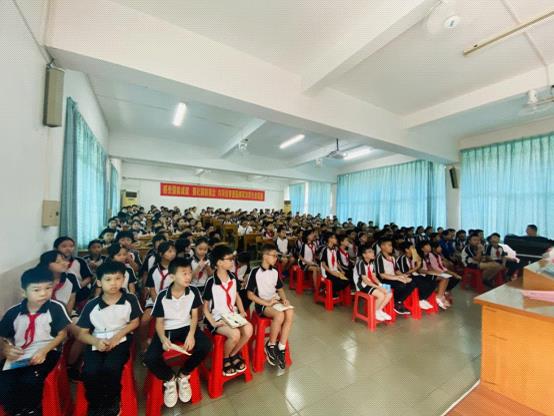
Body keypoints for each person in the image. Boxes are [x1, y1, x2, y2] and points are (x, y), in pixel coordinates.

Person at [0, 267, 71, 416]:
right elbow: (2, 336)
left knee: (31, 379)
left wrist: (44, 351)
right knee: (5, 381)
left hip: (49, 350)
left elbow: (62, 335)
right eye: (36, 290)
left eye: (48, 288)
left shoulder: (56, 308)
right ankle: (15, 411)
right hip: (21, 353)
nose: (43, 293)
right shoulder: (13, 312)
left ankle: (32, 410)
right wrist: (5, 348)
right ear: (24, 292)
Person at [143, 258, 212, 408]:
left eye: (189, 273)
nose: (188, 277)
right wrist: (163, 339)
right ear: (172, 277)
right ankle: (169, 378)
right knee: (149, 358)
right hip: (167, 329)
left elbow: (194, 316)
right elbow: (159, 322)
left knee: (206, 345)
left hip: (186, 327)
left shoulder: (193, 291)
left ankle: (184, 374)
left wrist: (191, 334)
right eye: (184, 273)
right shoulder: (162, 295)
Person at [77, 261, 141, 416]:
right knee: (90, 371)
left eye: (118, 278)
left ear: (124, 279)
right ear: (99, 282)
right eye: (108, 279)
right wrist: (96, 342)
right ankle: (95, 404)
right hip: (97, 341)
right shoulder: (92, 305)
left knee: (111, 368)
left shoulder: (130, 299)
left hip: (121, 339)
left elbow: (135, 322)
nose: (114, 283)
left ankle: (112, 401)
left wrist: (117, 337)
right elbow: (82, 333)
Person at [203, 245, 253, 376]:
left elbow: (236, 296)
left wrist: (242, 311)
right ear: (219, 262)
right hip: (217, 318)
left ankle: (233, 353)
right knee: (235, 334)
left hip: (232, 315)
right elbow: (205, 308)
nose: (232, 261)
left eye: (232, 258)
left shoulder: (233, 277)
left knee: (249, 330)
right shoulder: (211, 282)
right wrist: (213, 323)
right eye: (229, 259)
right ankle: (225, 358)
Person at [247, 244, 294, 370]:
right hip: (262, 304)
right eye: (273, 256)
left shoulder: (275, 271)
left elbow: (280, 289)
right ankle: (270, 345)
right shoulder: (255, 272)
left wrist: (284, 299)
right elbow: (250, 295)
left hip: (274, 300)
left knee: (290, 312)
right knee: (280, 315)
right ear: (264, 256)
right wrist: (266, 303)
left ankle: (281, 347)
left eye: (276, 256)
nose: (276, 258)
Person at [375, 238, 415, 315]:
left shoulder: (392, 257)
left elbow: (396, 270)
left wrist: (403, 276)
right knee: (401, 285)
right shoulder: (379, 258)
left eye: (391, 245)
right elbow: (382, 275)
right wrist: (397, 278)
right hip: (383, 282)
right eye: (389, 245)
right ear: (382, 246)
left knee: (412, 282)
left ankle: (398, 301)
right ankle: (397, 303)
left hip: (392, 279)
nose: (391, 247)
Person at [353, 245, 393, 321]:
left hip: (371, 283)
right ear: (364, 255)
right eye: (370, 252)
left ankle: (379, 310)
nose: (373, 253)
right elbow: (365, 280)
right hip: (362, 285)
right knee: (381, 295)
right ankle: (374, 312)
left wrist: (380, 285)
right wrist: (378, 287)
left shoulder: (372, 263)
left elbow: (374, 277)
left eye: (373, 251)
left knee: (389, 293)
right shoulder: (360, 263)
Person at [54, 236, 93, 304]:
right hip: (58, 290)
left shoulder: (80, 261)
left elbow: (88, 278)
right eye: (64, 246)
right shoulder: (52, 263)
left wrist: (78, 286)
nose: (68, 249)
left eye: (71, 246)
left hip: (79, 291)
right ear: (56, 248)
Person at [37, 250, 79, 314]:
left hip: (63, 314)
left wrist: (65, 318)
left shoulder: (71, 278)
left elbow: (71, 301)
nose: (64, 263)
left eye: (65, 260)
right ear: (46, 265)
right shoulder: (37, 280)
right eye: (58, 262)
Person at [319, 232, 350, 297]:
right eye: (334, 238)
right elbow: (323, 264)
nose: (336, 239)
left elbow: (336, 262)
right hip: (327, 272)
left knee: (347, 281)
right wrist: (331, 272)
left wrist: (341, 270)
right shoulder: (324, 249)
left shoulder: (335, 249)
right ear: (329, 239)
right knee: (338, 281)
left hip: (335, 270)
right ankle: (328, 291)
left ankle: (331, 290)